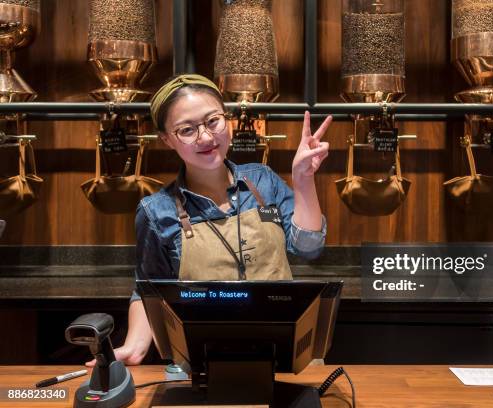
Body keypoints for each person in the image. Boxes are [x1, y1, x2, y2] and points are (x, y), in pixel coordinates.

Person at [87, 74, 331, 366]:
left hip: (284, 358)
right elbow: (148, 290)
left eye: (213, 121)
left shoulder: (262, 181)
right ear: (166, 139)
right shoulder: (156, 211)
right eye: (187, 130)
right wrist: (135, 345)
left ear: (226, 119)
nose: (205, 137)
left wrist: (304, 180)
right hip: (201, 362)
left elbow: (308, 248)